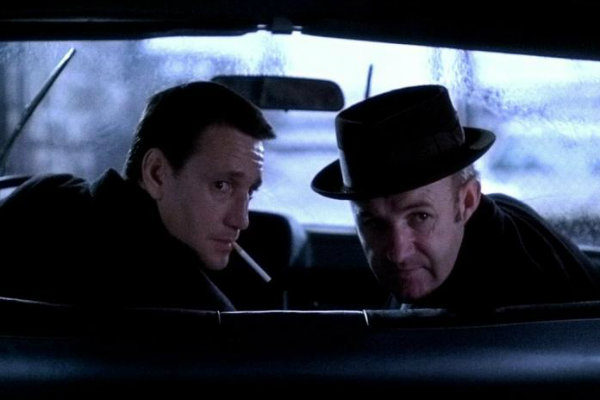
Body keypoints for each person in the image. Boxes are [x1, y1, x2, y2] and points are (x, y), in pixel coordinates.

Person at [311, 84, 600, 310]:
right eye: (373, 222)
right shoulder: (500, 214)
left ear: (467, 201)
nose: (398, 253)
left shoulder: (501, 310)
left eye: (420, 216)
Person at [0, 81, 275, 311]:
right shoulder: (200, 314)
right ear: (156, 173)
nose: (241, 220)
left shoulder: (41, 197)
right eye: (222, 186)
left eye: (250, 192)